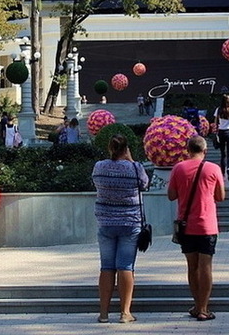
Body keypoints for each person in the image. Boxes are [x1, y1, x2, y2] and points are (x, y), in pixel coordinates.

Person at [167, 136, 225, 322]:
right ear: (205, 150)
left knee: (192, 267)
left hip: (186, 226)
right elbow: (220, 196)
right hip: (207, 225)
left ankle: (196, 304)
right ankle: (203, 308)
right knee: (206, 266)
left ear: (188, 150)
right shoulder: (213, 169)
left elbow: (171, 195)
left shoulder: (179, 168)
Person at [92, 134, 149, 324]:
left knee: (106, 267)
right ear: (126, 149)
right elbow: (144, 184)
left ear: (109, 148)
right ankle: (125, 313)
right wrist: (131, 160)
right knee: (125, 266)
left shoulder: (99, 167)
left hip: (106, 223)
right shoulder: (135, 167)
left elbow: (96, 183)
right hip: (129, 222)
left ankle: (103, 313)